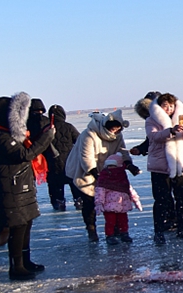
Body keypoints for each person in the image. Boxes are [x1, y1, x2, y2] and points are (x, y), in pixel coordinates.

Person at [0, 93, 55, 281]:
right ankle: (16, 267)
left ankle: (25, 260)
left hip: (21, 186)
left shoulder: (9, 134)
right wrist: (46, 138)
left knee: (26, 223)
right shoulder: (0, 136)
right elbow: (25, 154)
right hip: (10, 188)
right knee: (17, 226)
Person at [65, 109, 133, 242]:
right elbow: (87, 158)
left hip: (109, 172)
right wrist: (97, 175)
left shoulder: (118, 136)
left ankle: (116, 229)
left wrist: (129, 164)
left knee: (113, 200)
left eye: (118, 129)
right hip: (86, 172)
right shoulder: (89, 134)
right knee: (90, 201)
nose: (115, 131)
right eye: (113, 129)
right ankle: (91, 228)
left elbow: (123, 152)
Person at [144, 93, 183, 243]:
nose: (169, 109)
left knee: (182, 198)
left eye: (171, 106)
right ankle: (159, 231)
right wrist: (171, 131)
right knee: (161, 200)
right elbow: (154, 136)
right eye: (165, 106)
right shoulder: (151, 120)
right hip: (160, 166)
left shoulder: (180, 118)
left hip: (180, 164)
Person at [93, 152, 142, 245]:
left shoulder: (122, 178)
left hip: (122, 205)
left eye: (113, 166)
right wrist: (99, 203)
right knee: (110, 222)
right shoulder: (104, 178)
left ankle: (124, 233)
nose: (112, 168)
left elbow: (129, 189)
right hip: (109, 206)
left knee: (123, 221)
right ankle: (109, 236)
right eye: (109, 166)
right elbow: (100, 191)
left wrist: (136, 200)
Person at [45, 105, 80, 211]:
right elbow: (79, 141)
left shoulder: (47, 129)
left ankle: (59, 204)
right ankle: (79, 202)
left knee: (56, 186)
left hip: (53, 163)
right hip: (70, 161)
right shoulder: (69, 127)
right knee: (74, 184)